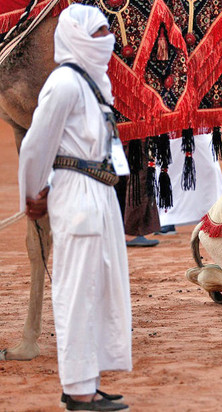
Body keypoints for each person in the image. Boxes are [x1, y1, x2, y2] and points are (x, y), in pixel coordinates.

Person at [18, 4, 131, 411]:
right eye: (99, 33)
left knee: (99, 291)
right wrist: (33, 195)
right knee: (76, 293)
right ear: (79, 38)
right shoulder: (63, 83)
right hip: (76, 193)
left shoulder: (94, 82)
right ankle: (78, 391)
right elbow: (35, 146)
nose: (108, 40)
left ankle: (88, 382)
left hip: (100, 192)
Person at [154, 133, 222, 234]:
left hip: (198, 124)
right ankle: (167, 217)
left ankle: (213, 215)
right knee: (169, 167)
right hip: (170, 125)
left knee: (209, 168)